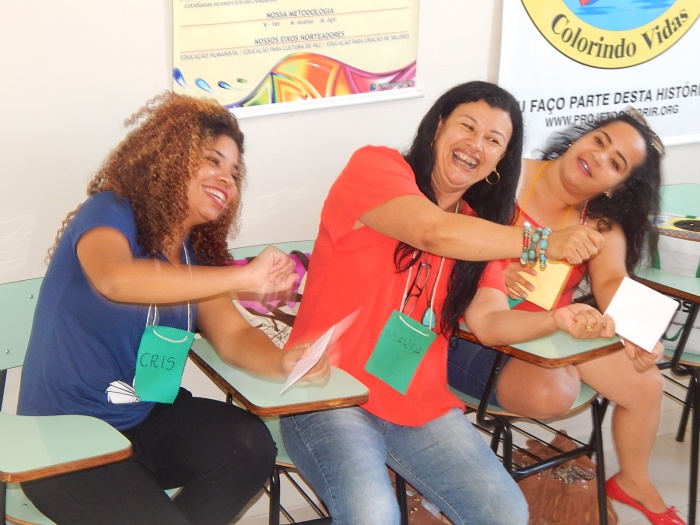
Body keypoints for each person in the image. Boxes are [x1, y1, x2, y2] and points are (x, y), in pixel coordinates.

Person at [279, 81, 607, 525]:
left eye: (493, 140)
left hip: (416, 401)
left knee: (506, 512)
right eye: (467, 126)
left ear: (500, 161)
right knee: (374, 516)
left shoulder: (478, 230)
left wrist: (557, 319)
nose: (476, 145)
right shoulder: (375, 166)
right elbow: (431, 232)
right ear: (437, 127)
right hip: (330, 391)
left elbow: (489, 323)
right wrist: (542, 242)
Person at [17, 92, 329, 525]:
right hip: (65, 439)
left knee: (247, 447)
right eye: (213, 161)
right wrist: (241, 278)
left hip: (145, 420)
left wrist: (285, 362)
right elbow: (115, 278)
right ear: (172, 156)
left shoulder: (192, 252)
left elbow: (234, 335)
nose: (227, 179)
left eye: (235, 173)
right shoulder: (108, 212)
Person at [447, 110, 684, 525]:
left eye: (616, 163)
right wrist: (491, 267)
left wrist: (642, 332)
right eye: (600, 141)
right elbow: (442, 235)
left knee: (647, 382)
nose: (599, 156)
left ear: (617, 186)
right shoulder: (504, 173)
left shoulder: (601, 223)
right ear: (581, 136)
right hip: (473, 332)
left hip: (552, 333)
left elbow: (611, 280)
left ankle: (633, 481)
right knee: (556, 390)